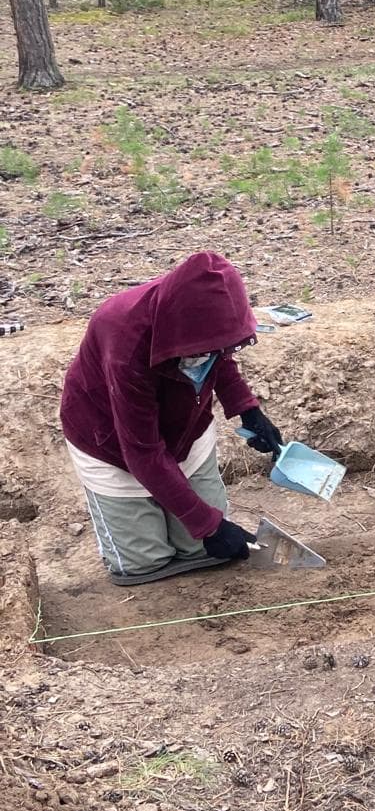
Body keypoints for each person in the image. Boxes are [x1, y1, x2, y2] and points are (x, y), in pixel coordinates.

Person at [60, 251, 285, 586]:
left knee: (202, 552)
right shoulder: (125, 339)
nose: (208, 355)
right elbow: (141, 451)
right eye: (199, 350)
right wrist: (207, 524)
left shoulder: (200, 322)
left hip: (185, 430)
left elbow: (218, 355)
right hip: (112, 442)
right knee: (143, 565)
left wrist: (247, 409)